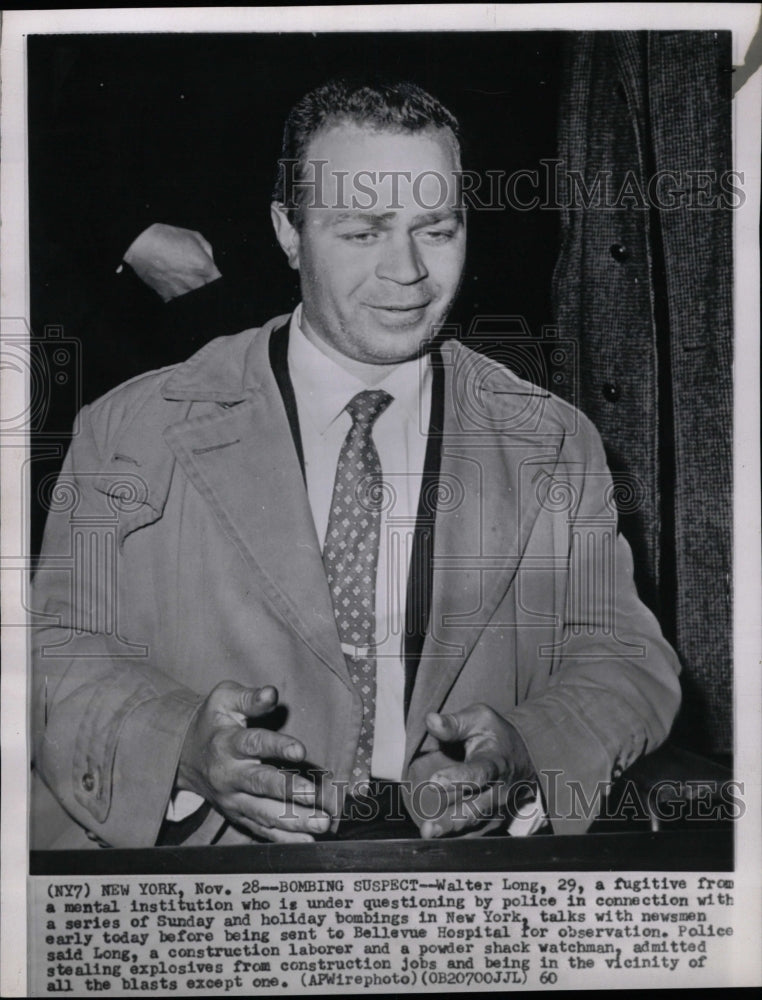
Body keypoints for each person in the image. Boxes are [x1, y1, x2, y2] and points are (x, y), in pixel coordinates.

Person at [31, 78, 681, 850]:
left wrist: (535, 748)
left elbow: (623, 655)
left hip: (455, 893)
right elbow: (53, 650)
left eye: (435, 230)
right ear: (289, 231)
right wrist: (178, 747)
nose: (406, 272)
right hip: (201, 883)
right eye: (363, 232)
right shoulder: (131, 427)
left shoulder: (553, 441)